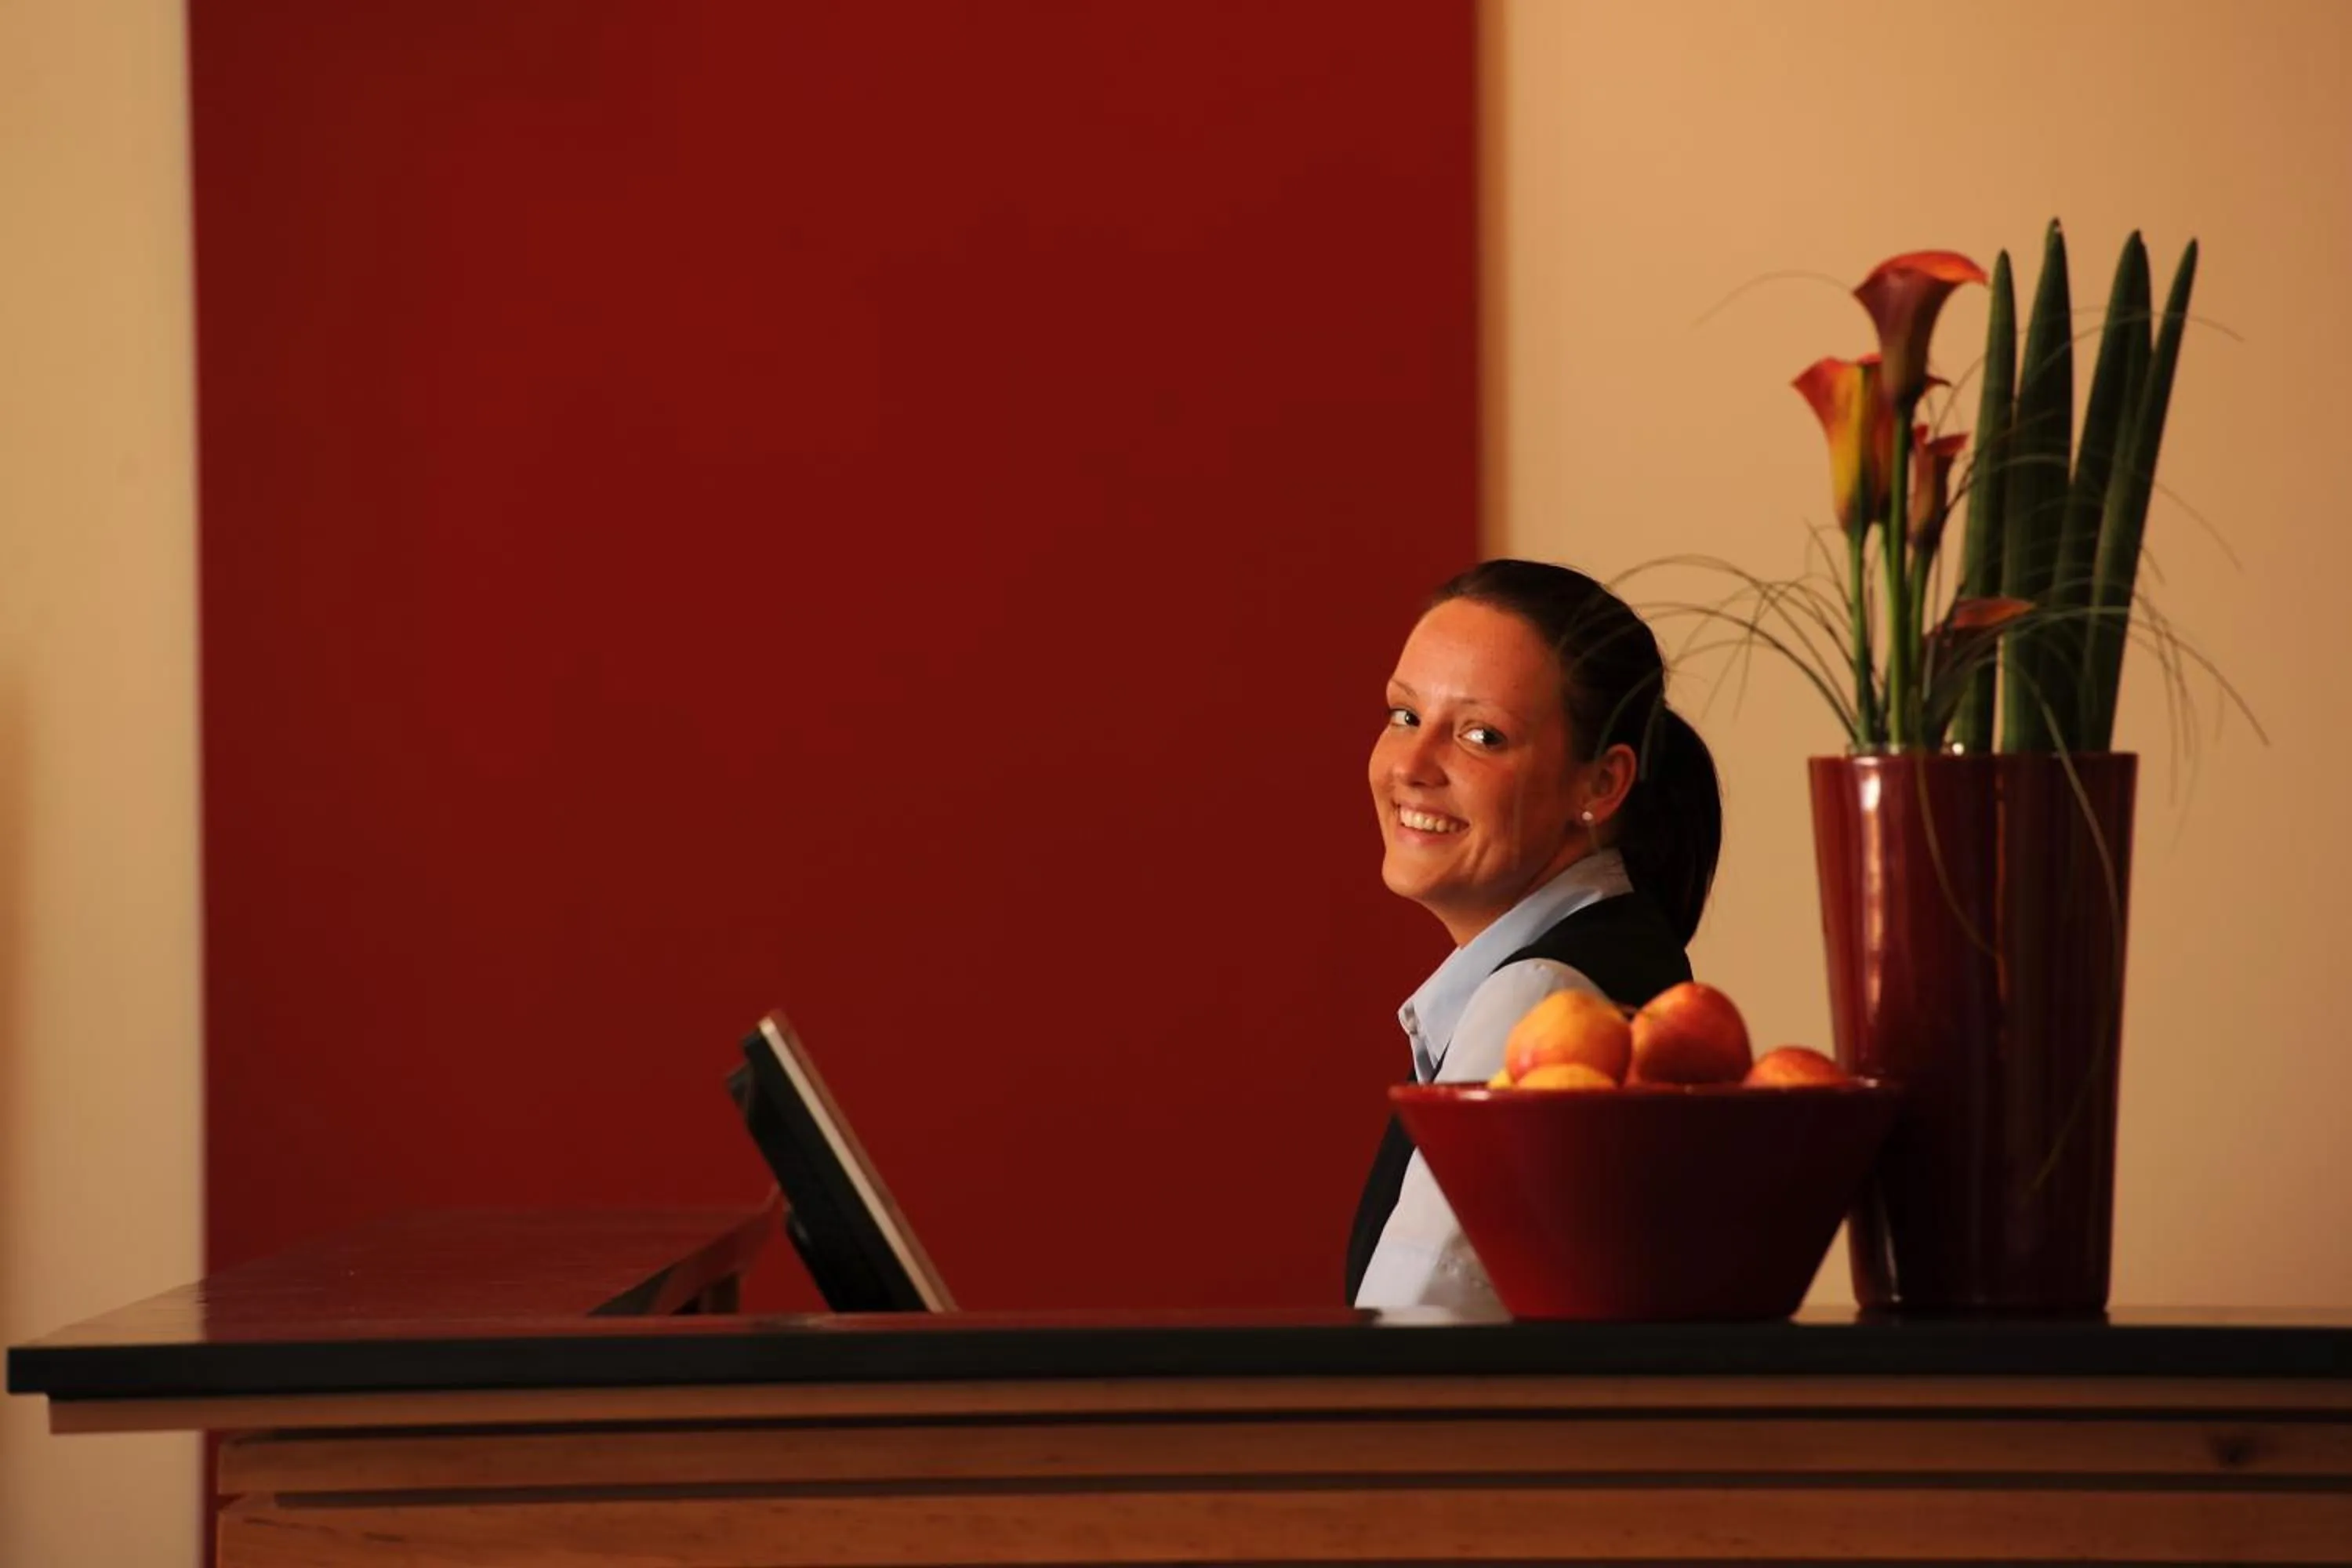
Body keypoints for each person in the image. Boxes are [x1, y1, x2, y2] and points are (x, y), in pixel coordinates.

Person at [1345, 557, 1723, 1313]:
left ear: (1601, 784)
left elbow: (1416, 1339)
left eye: (1481, 735)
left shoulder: (1543, 1002)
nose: (1411, 766)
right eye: (1404, 716)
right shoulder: (1599, 963)